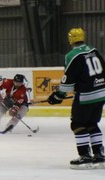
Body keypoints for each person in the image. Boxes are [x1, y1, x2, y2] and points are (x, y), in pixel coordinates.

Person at [47, 28, 105, 169]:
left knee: (78, 124)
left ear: (70, 39)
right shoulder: (94, 50)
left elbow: (68, 80)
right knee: (92, 123)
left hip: (86, 96)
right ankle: (99, 156)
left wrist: (58, 95)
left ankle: (85, 157)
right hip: (101, 93)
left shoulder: (72, 55)